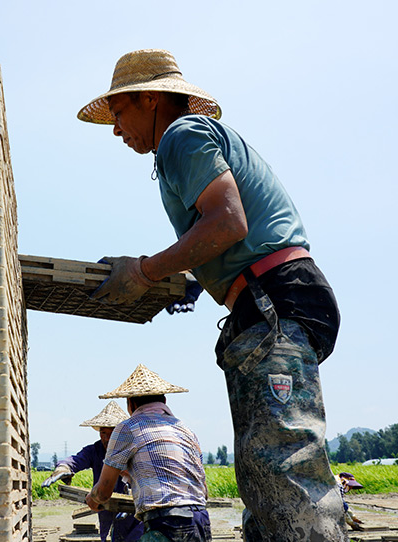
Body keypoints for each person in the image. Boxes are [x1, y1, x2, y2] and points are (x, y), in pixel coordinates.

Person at [78, 49, 347, 541]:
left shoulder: (182, 134)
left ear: (151, 98)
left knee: (284, 474)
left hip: (275, 303)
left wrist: (143, 271)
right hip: (266, 302)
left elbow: (227, 222)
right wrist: (191, 279)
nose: (116, 128)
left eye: (119, 113)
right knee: (264, 480)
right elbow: (230, 236)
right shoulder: (184, 146)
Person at [85, 364, 210, 541]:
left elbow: (104, 492)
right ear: (164, 401)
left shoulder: (127, 428)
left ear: (131, 403)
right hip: (200, 519)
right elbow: (203, 491)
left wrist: (93, 498)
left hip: (166, 522)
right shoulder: (186, 431)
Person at [42, 401, 144, 542]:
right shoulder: (95, 450)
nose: (107, 438)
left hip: (134, 513)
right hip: (105, 510)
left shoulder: (133, 449)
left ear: (121, 433)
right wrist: (63, 468)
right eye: (103, 433)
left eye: (112, 433)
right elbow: (76, 460)